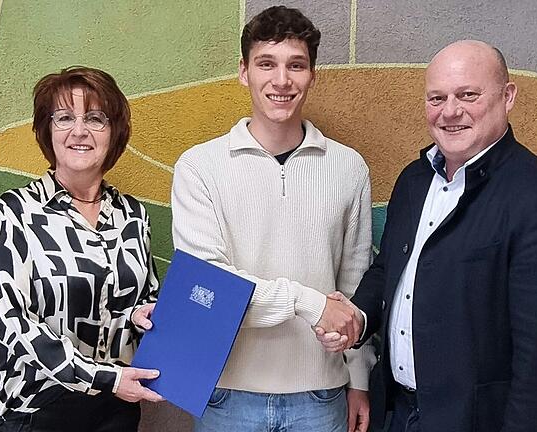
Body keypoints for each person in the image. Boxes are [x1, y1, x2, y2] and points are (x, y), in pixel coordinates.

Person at [321, 40, 537, 431]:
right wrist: (359, 318)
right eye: (437, 98)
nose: (450, 111)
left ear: (508, 96)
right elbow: (389, 271)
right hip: (395, 413)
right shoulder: (414, 180)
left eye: (468, 94)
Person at [144, 5, 374, 432]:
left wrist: (359, 378)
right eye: (266, 64)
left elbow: (355, 285)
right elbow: (210, 286)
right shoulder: (199, 166)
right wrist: (308, 302)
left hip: (322, 397)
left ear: (312, 75)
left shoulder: (349, 168)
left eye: (296, 65)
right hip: (227, 396)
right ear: (244, 72)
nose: (281, 80)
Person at [0, 66, 164, 432]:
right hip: (37, 409)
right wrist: (104, 377)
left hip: (115, 409)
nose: (80, 131)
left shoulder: (133, 214)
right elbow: (13, 324)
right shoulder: (16, 212)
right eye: (65, 117)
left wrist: (140, 315)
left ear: (113, 132)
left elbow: (143, 300)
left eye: (95, 118)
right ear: (46, 131)